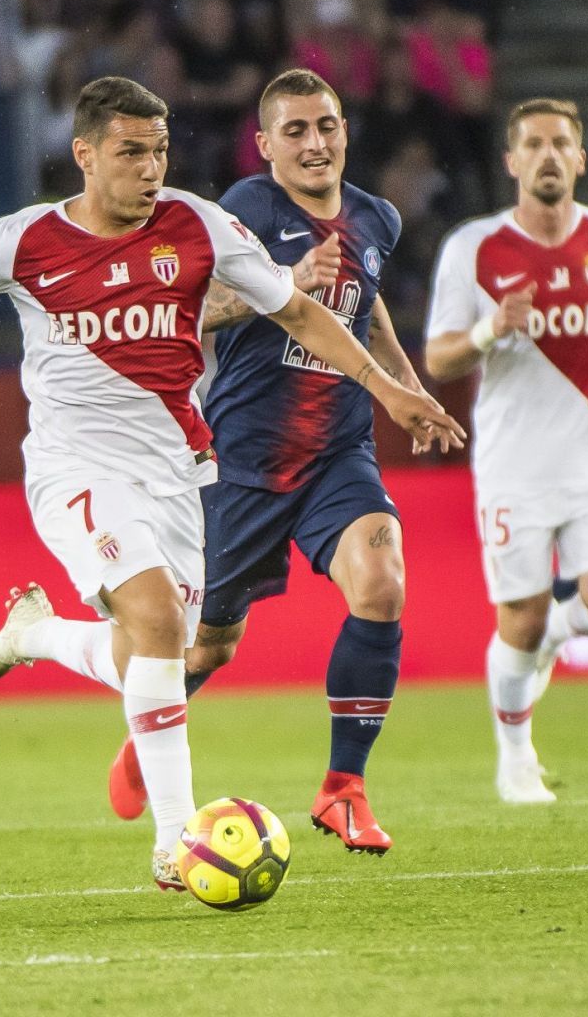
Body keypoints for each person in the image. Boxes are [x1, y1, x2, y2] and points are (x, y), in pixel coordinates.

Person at [0, 76, 463, 888]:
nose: (150, 170)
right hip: (74, 466)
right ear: (84, 156)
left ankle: (37, 635)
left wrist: (388, 387)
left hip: (181, 470)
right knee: (155, 622)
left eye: (159, 152)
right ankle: (175, 844)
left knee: (161, 651)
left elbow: (298, 310)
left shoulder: (199, 224)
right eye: (129, 153)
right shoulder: (23, 240)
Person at [95, 70, 423, 855]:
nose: (316, 144)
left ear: (345, 131)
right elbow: (190, 309)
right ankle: (149, 733)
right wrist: (280, 289)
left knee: (381, 584)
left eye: (328, 126)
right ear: (266, 144)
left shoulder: (377, 218)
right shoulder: (241, 213)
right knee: (209, 645)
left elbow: (368, 306)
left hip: (337, 454)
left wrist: (407, 391)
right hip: (241, 462)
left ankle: (345, 789)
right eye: (297, 131)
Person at [423, 98, 588, 805]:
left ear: (580, 159)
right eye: (534, 144)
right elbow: (438, 357)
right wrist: (491, 330)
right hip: (513, 464)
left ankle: (565, 628)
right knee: (519, 621)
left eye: (562, 143)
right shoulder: (474, 248)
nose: (549, 155)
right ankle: (516, 757)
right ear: (512, 161)